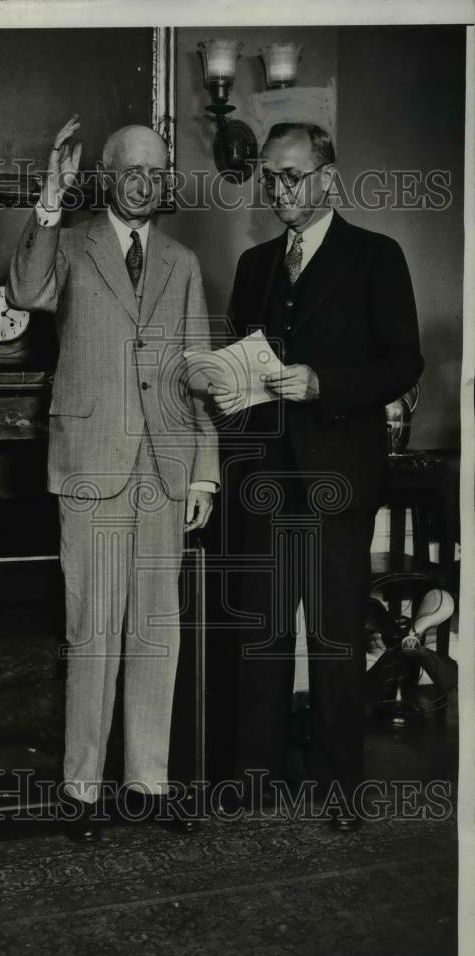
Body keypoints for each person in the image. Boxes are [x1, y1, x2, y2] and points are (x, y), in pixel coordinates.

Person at [7, 117, 219, 843]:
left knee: (158, 628)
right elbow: (26, 289)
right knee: (91, 629)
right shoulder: (69, 243)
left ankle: (149, 783)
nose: (145, 183)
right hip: (92, 463)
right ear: (104, 176)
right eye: (132, 170)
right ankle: (81, 788)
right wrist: (49, 200)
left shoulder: (182, 263)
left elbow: (196, 375)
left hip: (164, 467)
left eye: (157, 173)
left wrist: (204, 475)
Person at [210, 123, 423, 828]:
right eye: (270, 177)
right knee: (263, 632)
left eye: (292, 176)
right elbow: (242, 357)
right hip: (265, 476)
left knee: (333, 635)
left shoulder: (376, 256)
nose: (278, 190)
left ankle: (340, 787)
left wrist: (323, 383)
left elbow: (402, 362)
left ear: (329, 178)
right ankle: (255, 777)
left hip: (338, 476)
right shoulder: (255, 264)